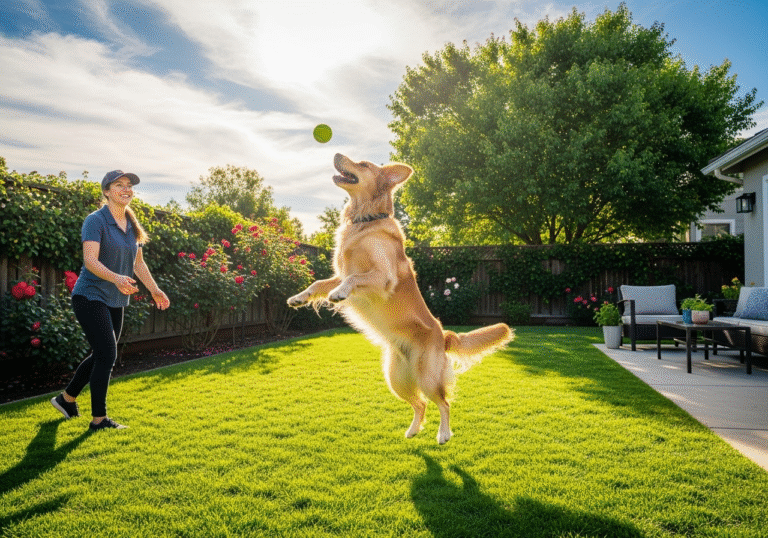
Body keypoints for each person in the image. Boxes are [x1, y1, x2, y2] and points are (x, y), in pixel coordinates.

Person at [51, 170, 170, 430]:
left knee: (102, 354)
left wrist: (155, 289)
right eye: (119, 185)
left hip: (115, 298)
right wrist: (116, 277)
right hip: (90, 295)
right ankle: (99, 420)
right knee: (107, 354)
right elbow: (90, 260)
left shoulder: (132, 224)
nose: (126, 189)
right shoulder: (96, 221)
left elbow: (138, 264)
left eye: (129, 186)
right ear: (106, 191)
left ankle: (66, 399)